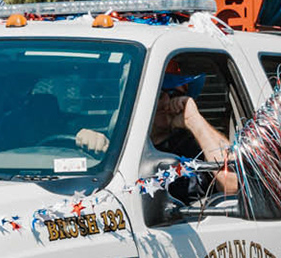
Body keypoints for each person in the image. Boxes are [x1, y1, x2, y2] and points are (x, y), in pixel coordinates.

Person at [75, 70, 239, 201]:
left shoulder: (196, 146)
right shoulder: (116, 143)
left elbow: (231, 185)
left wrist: (194, 120)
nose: (167, 102)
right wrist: (90, 144)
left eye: (174, 95)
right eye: (158, 94)